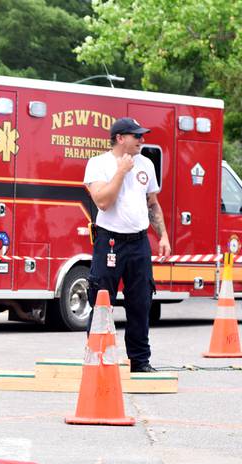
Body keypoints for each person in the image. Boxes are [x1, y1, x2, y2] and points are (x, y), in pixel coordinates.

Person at [83, 117, 171, 373]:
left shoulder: (146, 164)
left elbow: (152, 203)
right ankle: (97, 358)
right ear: (120, 138)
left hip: (139, 242)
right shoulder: (98, 164)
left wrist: (163, 235)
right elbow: (102, 202)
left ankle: (140, 360)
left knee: (141, 301)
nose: (142, 141)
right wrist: (121, 171)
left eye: (143, 136)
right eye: (137, 136)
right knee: (101, 300)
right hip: (110, 240)